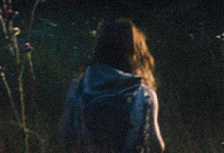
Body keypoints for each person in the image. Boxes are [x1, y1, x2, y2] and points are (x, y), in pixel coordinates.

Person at [58, 19, 166, 153]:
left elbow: (62, 136)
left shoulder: (78, 87)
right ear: (135, 53)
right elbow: (157, 145)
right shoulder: (145, 96)